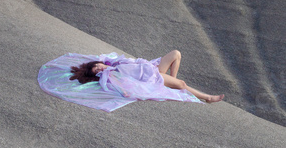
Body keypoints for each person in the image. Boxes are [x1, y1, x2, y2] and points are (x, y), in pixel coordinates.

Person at [70, 50, 224, 103]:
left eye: (96, 65)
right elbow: (120, 87)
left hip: (152, 68)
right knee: (182, 85)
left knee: (176, 54)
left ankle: (171, 83)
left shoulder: (114, 62)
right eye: (96, 70)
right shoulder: (109, 74)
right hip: (151, 78)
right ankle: (207, 98)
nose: (98, 68)